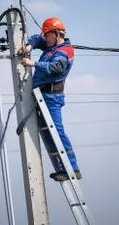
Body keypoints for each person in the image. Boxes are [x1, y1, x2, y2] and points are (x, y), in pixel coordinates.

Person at [18, 17, 81, 181]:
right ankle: (62, 169)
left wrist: (34, 64)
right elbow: (37, 39)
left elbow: (56, 68)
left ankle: (73, 168)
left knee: (57, 132)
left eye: (47, 35)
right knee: (47, 133)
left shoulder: (64, 51)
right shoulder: (52, 44)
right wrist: (29, 46)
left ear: (57, 34)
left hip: (52, 97)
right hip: (42, 96)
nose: (45, 39)